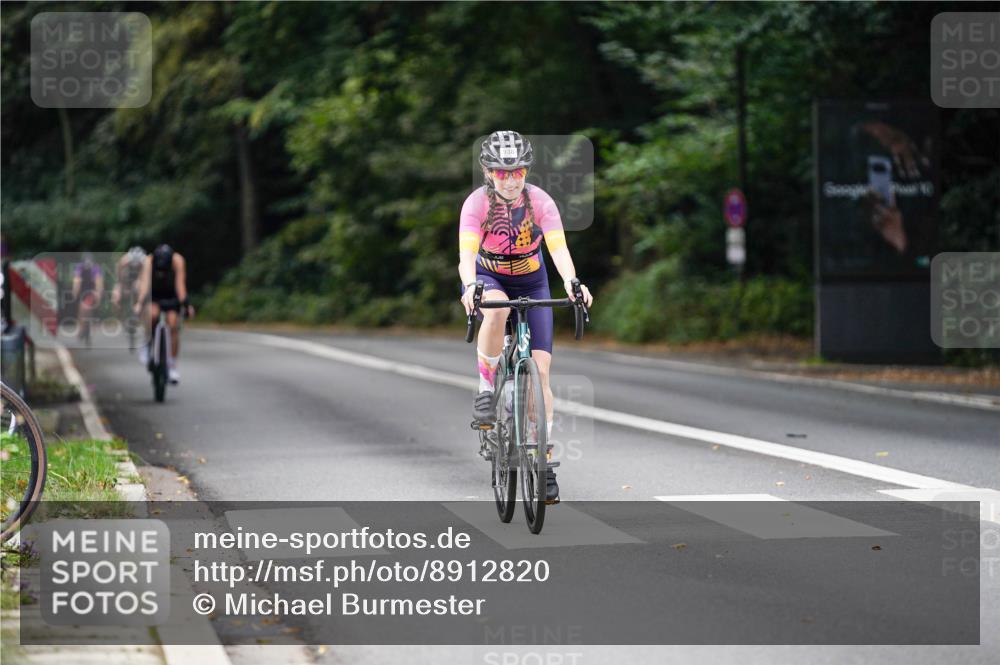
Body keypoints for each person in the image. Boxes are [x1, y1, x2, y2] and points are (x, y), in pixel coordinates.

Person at [458, 131, 593, 504]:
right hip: (489, 277)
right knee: (498, 308)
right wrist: (470, 286)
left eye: (517, 171)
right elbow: (466, 254)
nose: (510, 179)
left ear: (526, 170)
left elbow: (558, 249)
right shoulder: (476, 204)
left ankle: (543, 462)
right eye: (502, 172)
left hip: (533, 280)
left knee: (542, 373)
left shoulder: (540, 201)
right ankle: (487, 391)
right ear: (488, 172)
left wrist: (572, 282)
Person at [134, 244, 194, 384]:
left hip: (171, 294)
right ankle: (147, 343)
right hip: (154, 294)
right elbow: (145, 285)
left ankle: (172, 365)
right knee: (152, 315)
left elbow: (180, 286)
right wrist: (139, 304)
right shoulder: (148, 261)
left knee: (173, 324)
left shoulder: (178, 260)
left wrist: (186, 305)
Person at [71, 252, 104, 345]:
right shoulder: (84, 268)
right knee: (82, 311)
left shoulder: (92, 268)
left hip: (89, 292)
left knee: (83, 310)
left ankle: (82, 330)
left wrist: (74, 293)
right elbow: (77, 280)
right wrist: (75, 292)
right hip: (85, 291)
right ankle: (83, 329)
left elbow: (98, 282)